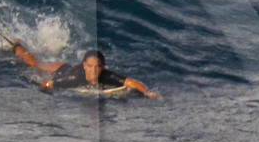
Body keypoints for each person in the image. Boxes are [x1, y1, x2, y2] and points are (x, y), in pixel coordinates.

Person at [9, 40, 161, 99]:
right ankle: (18, 47)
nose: (93, 71)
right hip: (62, 69)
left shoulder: (107, 76)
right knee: (36, 65)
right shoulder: (73, 79)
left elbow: (132, 83)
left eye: (97, 67)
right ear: (84, 66)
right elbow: (46, 84)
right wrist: (45, 96)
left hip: (74, 68)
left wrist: (147, 92)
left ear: (103, 67)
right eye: (90, 67)